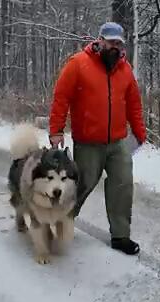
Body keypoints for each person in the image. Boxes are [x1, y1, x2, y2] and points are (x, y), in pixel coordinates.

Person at [48, 22, 146, 255]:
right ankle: (60, 223)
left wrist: (139, 132)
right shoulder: (78, 64)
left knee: (123, 184)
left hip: (118, 142)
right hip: (88, 142)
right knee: (82, 185)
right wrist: (56, 131)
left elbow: (133, 104)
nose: (115, 47)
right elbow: (61, 97)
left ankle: (120, 236)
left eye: (119, 44)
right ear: (100, 41)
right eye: (111, 42)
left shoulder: (125, 69)